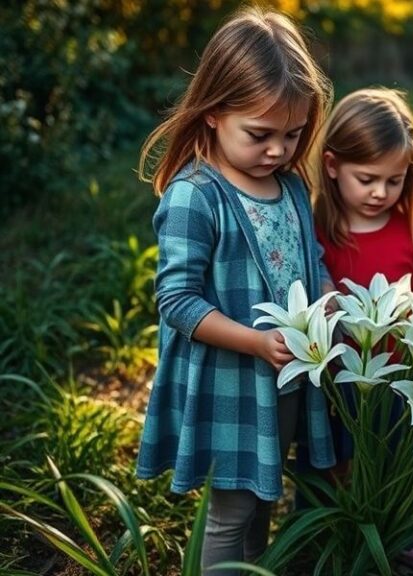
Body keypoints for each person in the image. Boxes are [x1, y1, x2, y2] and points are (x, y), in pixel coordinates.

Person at [134, 8, 336, 573]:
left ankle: (256, 568)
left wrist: (328, 297)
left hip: (289, 380)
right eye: (260, 135)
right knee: (232, 507)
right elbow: (176, 301)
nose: (278, 150)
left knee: (265, 494)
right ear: (213, 114)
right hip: (233, 382)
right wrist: (254, 342)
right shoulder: (195, 195)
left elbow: (310, 259)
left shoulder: (292, 186)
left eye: (293, 135)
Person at [312, 88, 413, 576]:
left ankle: (402, 535)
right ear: (332, 166)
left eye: (394, 180)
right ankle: (327, 537)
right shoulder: (316, 228)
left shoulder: (412, 230)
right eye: (367, 179)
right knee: (331, 461)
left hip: (396, 377)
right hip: (334, 377)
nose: (380, 192)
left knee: (395, 462)